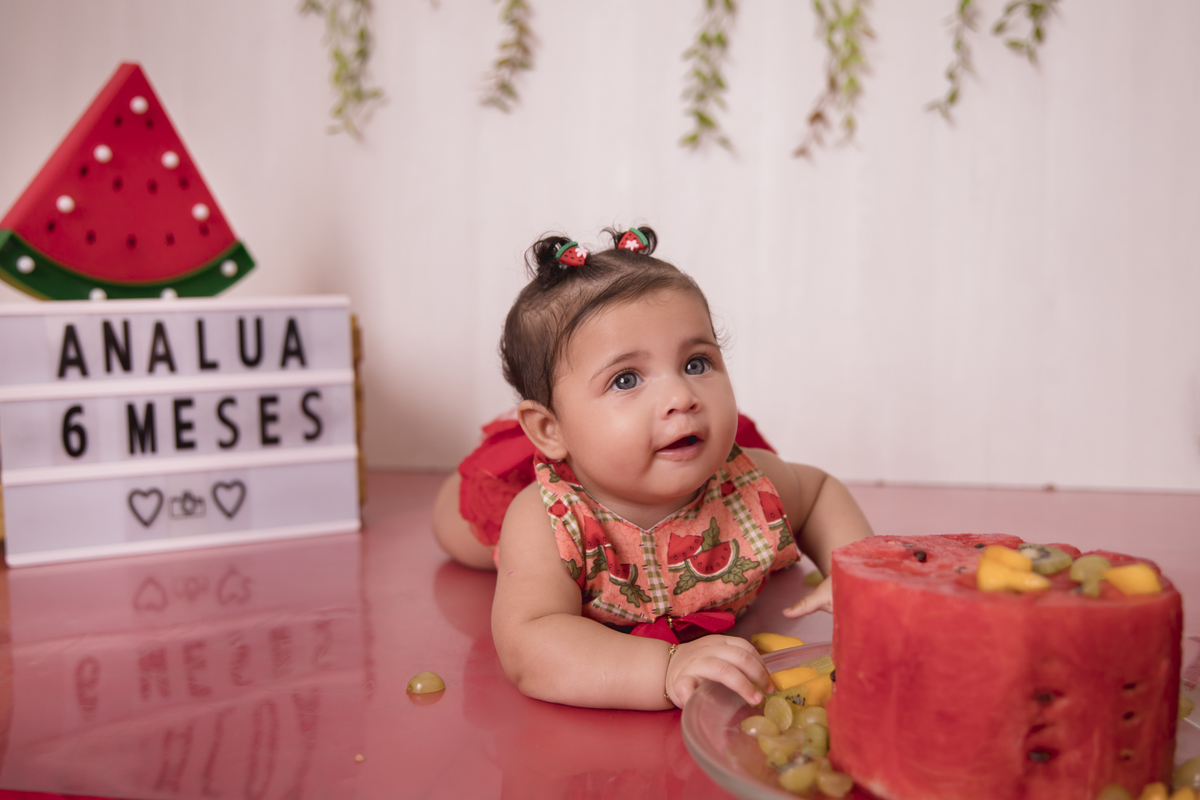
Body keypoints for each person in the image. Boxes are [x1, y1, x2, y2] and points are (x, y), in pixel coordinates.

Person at [432, 226, 874, 711]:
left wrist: (854, 573)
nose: (681, 396)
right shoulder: (544, 520)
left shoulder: (754, 484)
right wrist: (663, 668)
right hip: (548, 503)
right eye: (626, 379)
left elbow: (820, 493)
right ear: (549, 428)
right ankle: (500, 463)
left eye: (696, 364)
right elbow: (529, 645)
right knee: (466, 528)